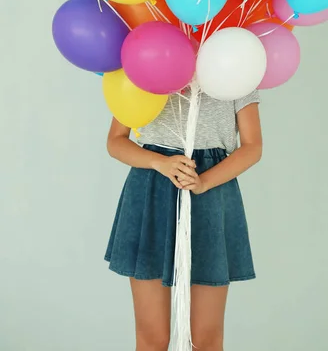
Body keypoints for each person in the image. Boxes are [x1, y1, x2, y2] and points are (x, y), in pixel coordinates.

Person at [105, 89, 262, 351]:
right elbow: (115, 141)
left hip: (211, 191)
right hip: (152, 190)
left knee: (205, 339)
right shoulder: (145, 63)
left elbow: (252, 146)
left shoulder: (233, 63)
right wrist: (160, 163)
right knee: (151, 337)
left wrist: (204, 183)